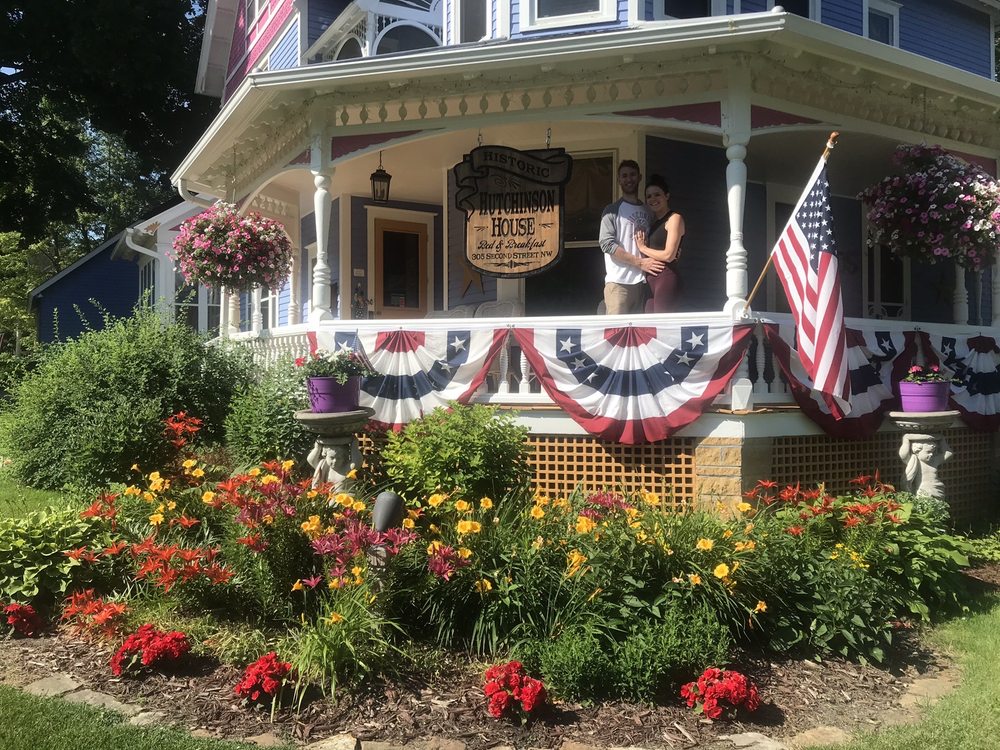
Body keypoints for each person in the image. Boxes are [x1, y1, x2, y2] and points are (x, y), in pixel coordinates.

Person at [598, 160, 664, 315]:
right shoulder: (612, 210)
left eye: (633, 175)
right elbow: (606, 244)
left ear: (639, 177)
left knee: (639, 337)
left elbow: (656, 241)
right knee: (616, 335)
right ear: (619, 180)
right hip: (619, 284)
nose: (629, 179)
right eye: (624, 176)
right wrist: (639, 262)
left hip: (643, 283)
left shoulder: (648, 210)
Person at [634, 174, 685, 313]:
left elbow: (669, 255)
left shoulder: (674, 218)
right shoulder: (653, 223)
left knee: (663, 327)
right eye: (649, 196)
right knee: (650, 328)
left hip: (666, 278)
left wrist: (643, 247)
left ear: (666, 196)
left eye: (657, 194)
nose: (653, 199)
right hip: (650, 281)